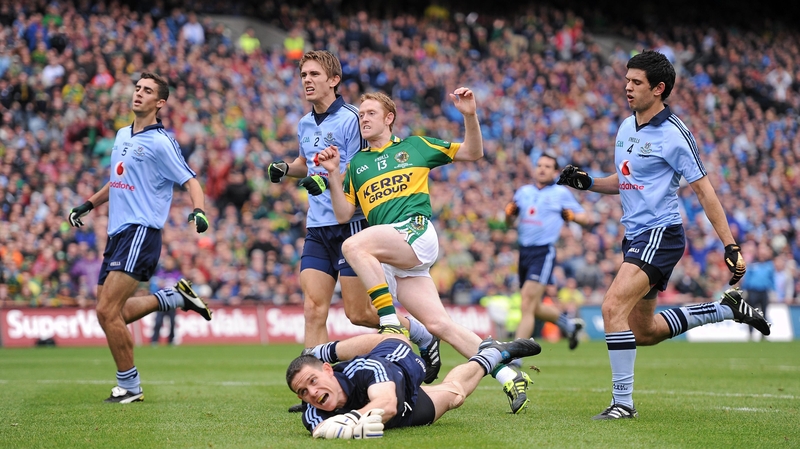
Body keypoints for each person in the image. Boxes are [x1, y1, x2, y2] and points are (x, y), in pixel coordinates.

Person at [556, 50, 770, 419]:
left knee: (611, 308)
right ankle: (726, 308)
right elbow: (624, 182)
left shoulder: (675, 134)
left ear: (658, 89)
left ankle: (622, 404)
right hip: (635, 236)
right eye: (627, 80)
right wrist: (588, 182)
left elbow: (705, 191)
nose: (627, 87)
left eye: (636, 82)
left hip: (661, 234)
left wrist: (729, 244)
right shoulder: (626, 126)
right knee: (645, 332)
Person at [315, 89, 536, 414]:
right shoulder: (358, 164)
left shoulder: (415, 146)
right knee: (439, 325)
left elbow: (473, 152)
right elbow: (343, 214)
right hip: (395, 255)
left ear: (389, 118)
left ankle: (390, 321)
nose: (363, 118)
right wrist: (334, 174)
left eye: (371, 113)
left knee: (353, 245)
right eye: (361, 114)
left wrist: (469, 115)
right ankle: (507, 373)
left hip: (415, 231)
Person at [267, 51, 440, 411]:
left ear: (333, 80)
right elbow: (304, 162)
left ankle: (418, 333)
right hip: (317, 227)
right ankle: (312, 382)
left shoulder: (351, 120)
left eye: (314, 73)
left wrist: (324, 181)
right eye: (303, 74)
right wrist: (286, 168)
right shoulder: (303, 123)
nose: (306, 80)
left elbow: (362, 170)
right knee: (313, 307)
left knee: (358, 313)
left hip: (352, 225)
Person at [67, 72, 213, 403]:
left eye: (147, 91)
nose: (139, 94)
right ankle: (174, 298)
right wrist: (88, 203)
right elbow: (116, 181)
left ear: (159, 103)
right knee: (110, 312)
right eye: (137, 88)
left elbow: (190, 180)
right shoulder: (122, 135)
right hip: (117, 233)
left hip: (141, 231)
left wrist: (199, 210)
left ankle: (130, 387)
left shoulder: (162, 142)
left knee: (106, 312)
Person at [286, 333, 542, 439]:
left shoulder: (366, 370)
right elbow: (318, 428)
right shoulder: (312, 411)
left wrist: (349, 421)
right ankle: (492, 353)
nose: (312, 393)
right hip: (396, 406)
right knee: (455, 396)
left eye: (312, 381)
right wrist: (340, 430)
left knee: (395, 337)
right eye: (303, 392)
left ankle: (323, 350)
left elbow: (386, 404)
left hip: (393, 363)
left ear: (327, 371)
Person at [504, 153, 592, 353]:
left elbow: (585, 218)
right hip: (524, 251)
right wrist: (508, 215)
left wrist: (573, 217)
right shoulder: (523, 192)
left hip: (543, 252)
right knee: (532, 306)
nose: (542, 169)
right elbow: (509, 223)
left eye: (547, 166)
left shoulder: (561, 193)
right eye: (539, 165)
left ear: (554, 172)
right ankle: (569, 326)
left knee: (526, 301)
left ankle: (515, 354)